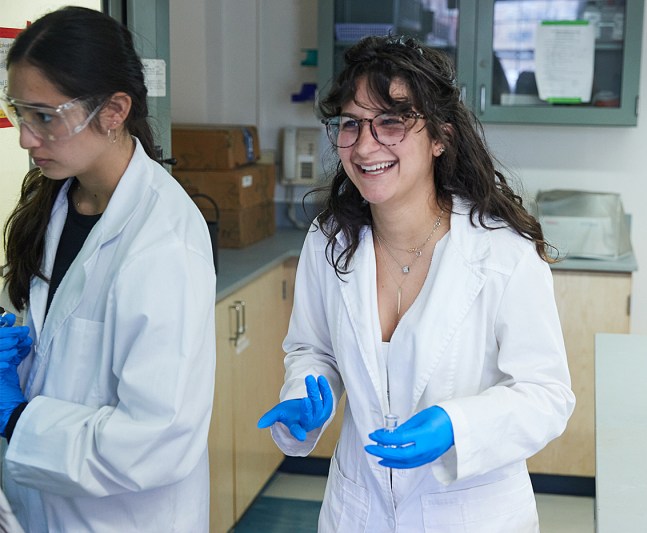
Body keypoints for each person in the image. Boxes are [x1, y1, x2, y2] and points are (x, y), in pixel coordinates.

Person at [258, 34, 575, 532]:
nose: (365, 145)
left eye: (391, 121)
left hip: (470, 513)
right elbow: (312, 350)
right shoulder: (330, 240)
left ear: (440, 137)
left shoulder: (501, 254)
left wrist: (458, 425)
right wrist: (305, 392)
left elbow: (547, 396)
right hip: (357, 510)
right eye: (351, 124)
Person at [0, 7, 216, 532]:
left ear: (114, 110)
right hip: (44, 508)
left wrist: (16, 417)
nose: (27, 137)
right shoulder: (57, 200)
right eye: (18, 111)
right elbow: (66, 354)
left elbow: (157, 440)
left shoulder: (164, 241)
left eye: (45, 116)